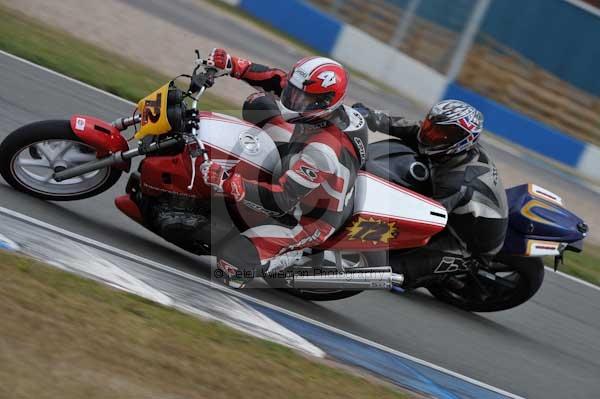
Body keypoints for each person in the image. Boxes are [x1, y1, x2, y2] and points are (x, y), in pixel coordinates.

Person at [201, 48, 368, 288]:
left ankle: (289, 258)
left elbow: (283, 199)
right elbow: (276, 78)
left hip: (310, 216)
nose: (291, 99)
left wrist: (230, 183)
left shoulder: (324, 152)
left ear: (324, 103)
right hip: (300, 159)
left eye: (302, 98)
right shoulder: (316, 104)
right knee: (258, 104)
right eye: (292, 92)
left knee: (231, 268)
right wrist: (233, 65)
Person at [353, 100, 508, 289]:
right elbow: (405, 127)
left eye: (441, 133)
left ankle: (451, 268)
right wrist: (367, 115)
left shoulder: (457, 181)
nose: (430, 134)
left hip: (463, 241)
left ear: (462, 139)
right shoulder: (439, 141)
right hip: (453, 209)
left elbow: (424, 220)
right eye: (430, 126)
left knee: (382, 271)